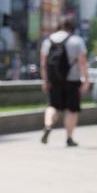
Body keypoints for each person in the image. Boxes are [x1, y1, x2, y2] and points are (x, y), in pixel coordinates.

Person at [40, 17, 89, 146]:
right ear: (72, 27)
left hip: (54, 80)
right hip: (72, 80)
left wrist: (45, 81)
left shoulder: (47, 41)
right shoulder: (76, 41)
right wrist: (86, 80)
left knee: (53, 106)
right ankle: (69, 138)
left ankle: (48, 125)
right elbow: (82, 63)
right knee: (71, 110)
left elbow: (43, 64)